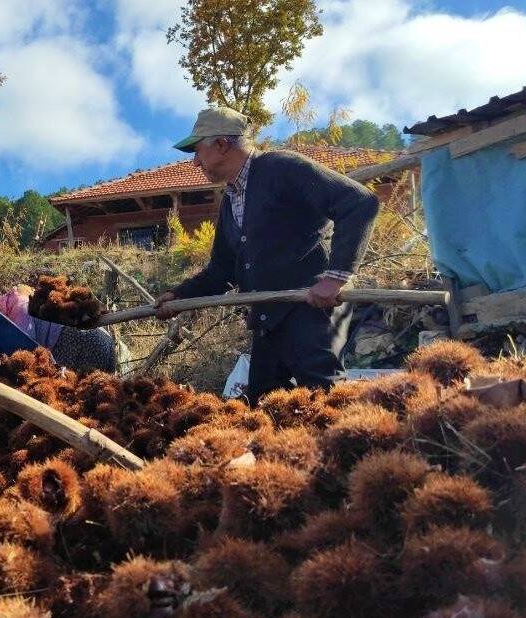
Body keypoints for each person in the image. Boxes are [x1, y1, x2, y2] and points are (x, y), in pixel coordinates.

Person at [155, 106, 378, 402]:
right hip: (268, 316)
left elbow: (359, 202)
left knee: (323, 394)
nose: (196, 163)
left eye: (198, 152)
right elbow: (222, 269)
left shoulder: (282, 168)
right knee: (265, 401)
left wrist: (335, 278)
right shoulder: (231, 200)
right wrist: (179, 296)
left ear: (222, 145)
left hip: (310, 307)